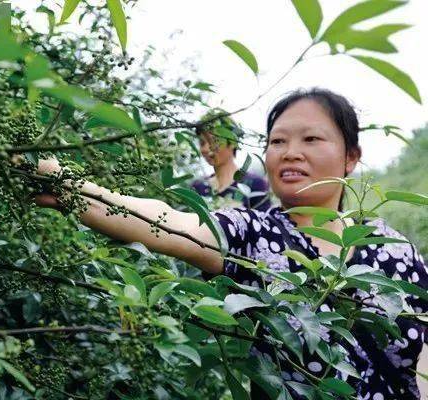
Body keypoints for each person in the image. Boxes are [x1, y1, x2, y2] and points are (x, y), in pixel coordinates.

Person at [36, 88, 427, 399]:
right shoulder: (253, 234)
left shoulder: (392, 249)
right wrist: (74, 189)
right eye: (277, 142)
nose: (291, 152)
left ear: (351, 158)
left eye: (311, 138)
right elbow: (173, 223)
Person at [191, 115, 271, 211]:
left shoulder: (254, 184)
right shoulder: (198, 186)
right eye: (202, 143)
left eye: (215, 141)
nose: (206, 149)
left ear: (233, 143)